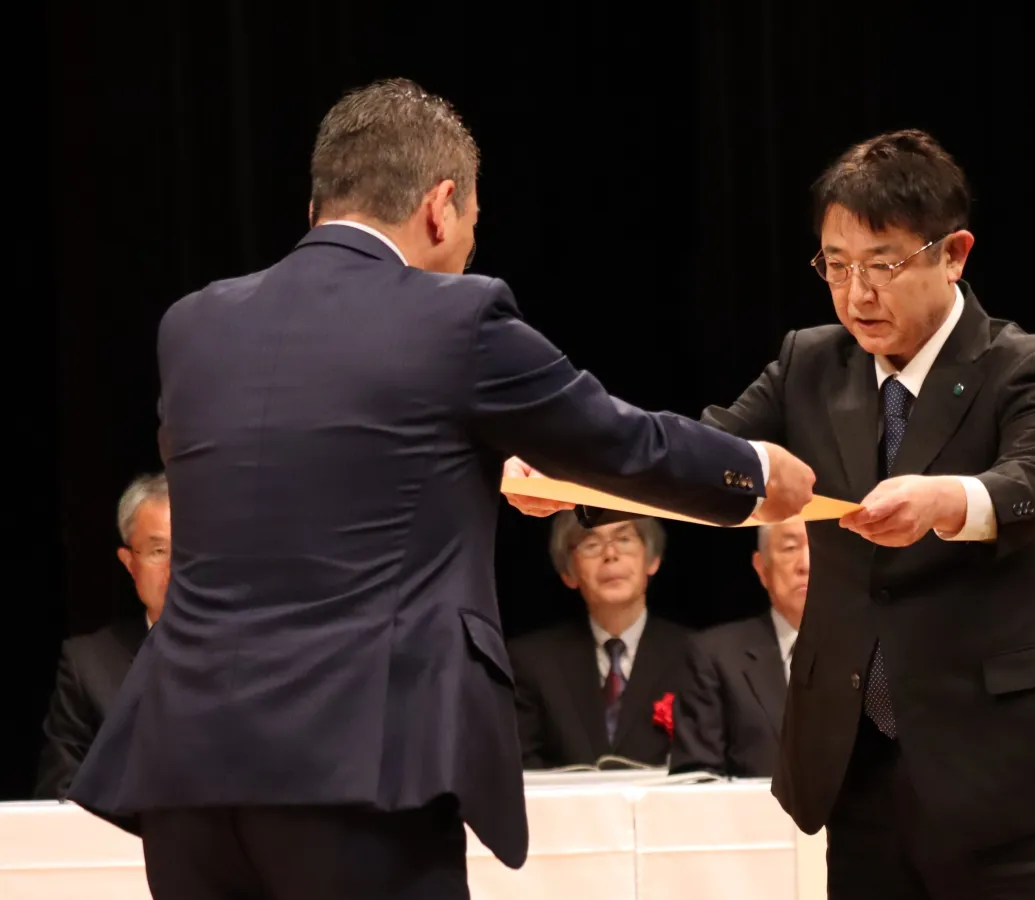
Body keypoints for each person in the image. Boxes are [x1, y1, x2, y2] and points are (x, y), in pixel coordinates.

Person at [65, 77, 816, 900]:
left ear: (320, 202)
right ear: (440, 206)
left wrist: (477, 459)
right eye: (471, 226)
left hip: (186, 765)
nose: (466, 251)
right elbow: (620, 440)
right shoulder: (454, 317)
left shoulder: (195, 325)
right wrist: (753, 470)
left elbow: (322, 465)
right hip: (357, 762)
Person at [507, 129, 1035, 899]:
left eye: (883, 265)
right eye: (836, 266)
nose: (857, 294)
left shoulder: (1030, 366)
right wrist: (581, 481)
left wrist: (946, 499)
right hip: (860, 767)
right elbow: (703, 451)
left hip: (1008, 768)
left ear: (954, 253)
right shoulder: (811, 362)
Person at [509, 515, 688, 769]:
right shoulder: (532, 662)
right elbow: (523, 768)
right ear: (568, 573)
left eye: (624, 539)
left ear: (652, 560)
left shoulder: (693, 655)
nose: (610, 554)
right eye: (591, 545)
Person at [34, 473, 169, 799]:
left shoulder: (252, 655)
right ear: (129, 563)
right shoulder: (89, 665)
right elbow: (60, 798)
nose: (176, 567)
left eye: (190, 549)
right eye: (158, 551)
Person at [669, 521, 809, 778]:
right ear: (761, 568)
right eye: (790, 547)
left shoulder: (868, 649)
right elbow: (696, 777)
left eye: (817, 548)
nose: (806, 564)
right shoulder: (714, 656)